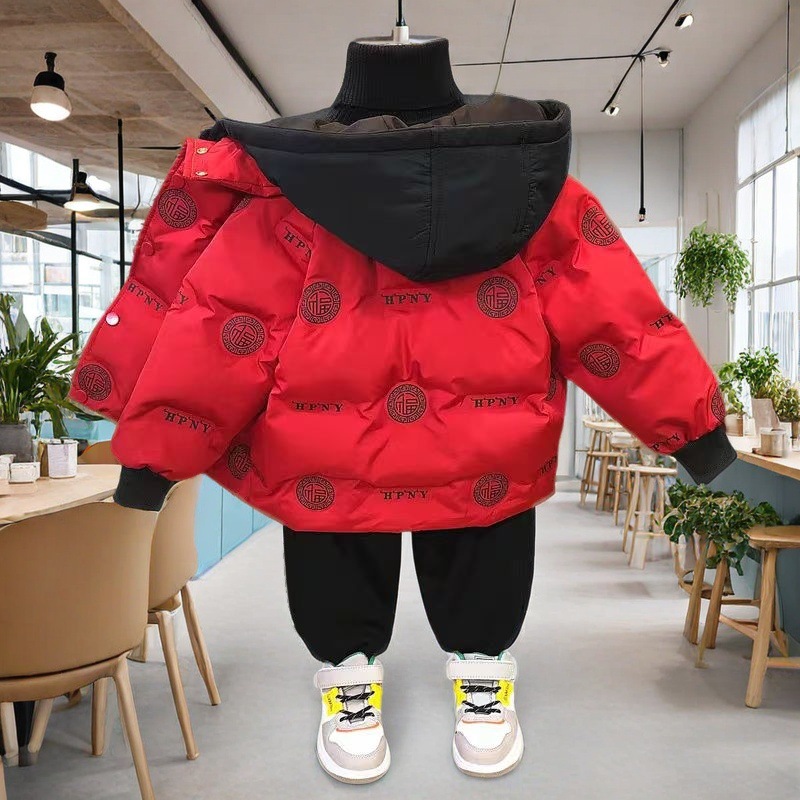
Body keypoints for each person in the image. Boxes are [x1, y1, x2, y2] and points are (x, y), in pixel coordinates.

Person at [70, 35, 736, 785]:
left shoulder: (288, 194)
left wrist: (154, 461)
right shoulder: (530, 185)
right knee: (481, 520)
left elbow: (224, 333)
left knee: (334, 523)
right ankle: (481, 678)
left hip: (325, 445)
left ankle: (350, 683)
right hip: (488, 438)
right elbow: (615, 320)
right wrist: (695, 429)